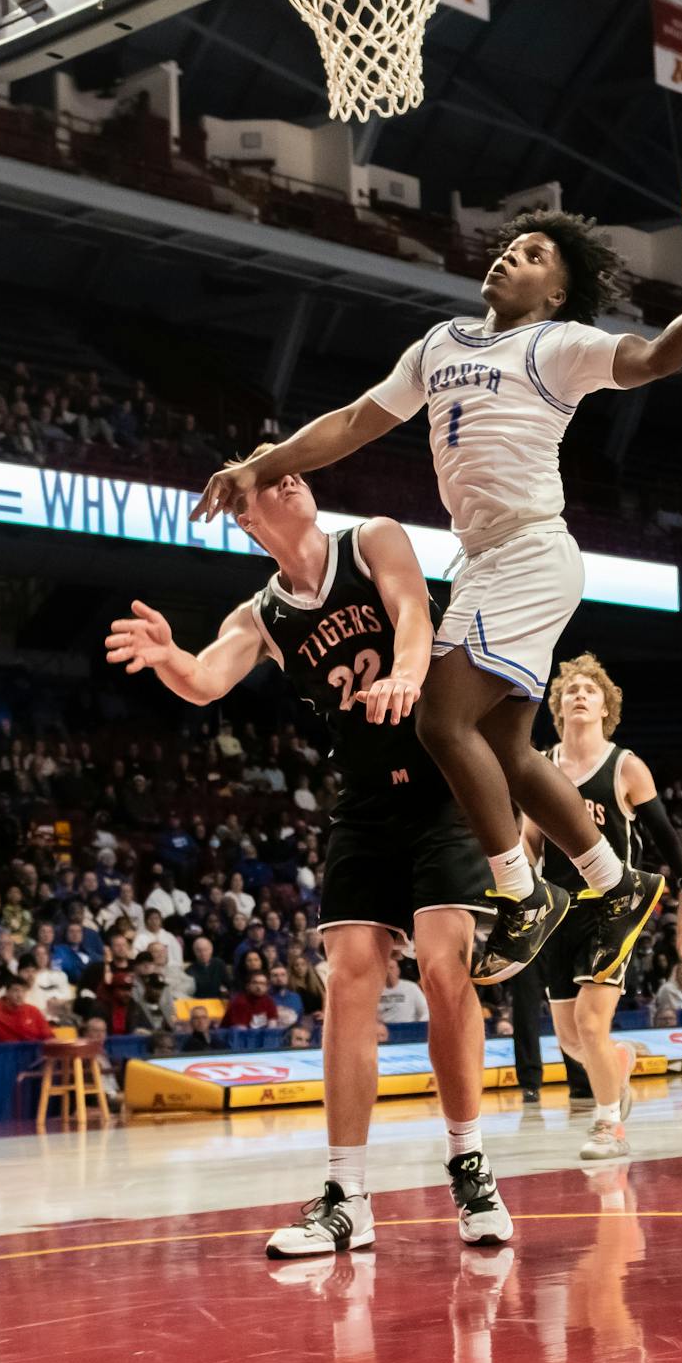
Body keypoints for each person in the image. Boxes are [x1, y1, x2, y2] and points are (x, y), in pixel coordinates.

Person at [191, 208, 682, 985]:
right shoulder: (438, 345)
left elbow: (652, 357)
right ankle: (618, 884)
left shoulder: (557, 345)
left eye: (534, 255)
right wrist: (260, 464)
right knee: (506, 749)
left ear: (554, 295)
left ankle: (521, 892)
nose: (511, 257)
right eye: (511, 247)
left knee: (439, 719)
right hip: (481, 560)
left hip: (532, 551)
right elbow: (350, 422)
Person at [107, 498, 518, 1257]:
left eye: (294, 472)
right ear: (250, 521)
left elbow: (415, 615)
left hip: (441, 784)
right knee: (351, 973)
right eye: (273, 482)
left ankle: (470, 1163)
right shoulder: (261, 614)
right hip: (364, 800)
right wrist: (170, 657)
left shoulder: (372, 539)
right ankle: (347, 1195)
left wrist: (404, 671)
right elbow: (205, 680)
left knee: (440, 962)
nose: (292, 483)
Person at [522, 654, 682, 1162]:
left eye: (590, 690)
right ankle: (618, 1064)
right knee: (570, 1038)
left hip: (613, 907)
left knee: (590, 1024)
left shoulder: (625, 765)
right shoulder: (539, 765)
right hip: (559, 910)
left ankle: (609, 1127)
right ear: (557, 705)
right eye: (571, 689)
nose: (580, 695)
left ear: (606, 706)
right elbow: (530, 841)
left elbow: (667, 838)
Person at [0, 974, 54, 1043]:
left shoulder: (34, 1011)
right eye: (16, 990)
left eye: (23, 991)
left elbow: (48, 1037)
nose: (20, 995)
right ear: (7, 992)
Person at [375, 960, 429, 1027]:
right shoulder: (374, 991)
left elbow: (425, 1011)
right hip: (384, 1031)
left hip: (408, 1030)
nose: (388, 971)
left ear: (398, 970)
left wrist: (418, 1027)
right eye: (385, 968)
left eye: (391, 968)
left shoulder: (411, 987)